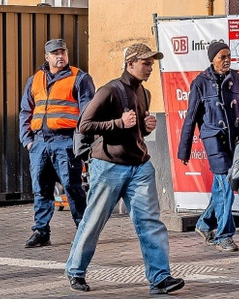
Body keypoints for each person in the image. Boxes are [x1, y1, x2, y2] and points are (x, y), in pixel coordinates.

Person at [65, 43, 185, 295]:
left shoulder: (145, 93)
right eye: (145, 63)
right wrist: (118, 122)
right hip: (109, 167)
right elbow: (84, 125)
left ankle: (160, 278)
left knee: (150, 222)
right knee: (94, 220)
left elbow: (136, 130)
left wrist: (146, 126)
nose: (150, 67)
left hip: (140, 167)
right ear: (130, 64)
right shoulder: (109, 90)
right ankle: (75, 271)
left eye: (152, 63)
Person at [19, 38, 95, 248]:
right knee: (41, 189)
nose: (60, 56)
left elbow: (88, 112)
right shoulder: (35, 80)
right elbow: (26, 111)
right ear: (47, 57)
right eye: (55, 53)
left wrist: (80, 142)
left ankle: (83, 229)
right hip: (39, 143)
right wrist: (27, 141)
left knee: (72, 186)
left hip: (66, 141)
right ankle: (41, 231)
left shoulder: (79, 78)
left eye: (63, 52)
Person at [177, 41, 239, 253]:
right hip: (214, 140)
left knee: (221, 186)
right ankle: (224, 235)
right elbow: (190, 118)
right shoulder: (200, 82)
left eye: (229, 56)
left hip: (234, 140)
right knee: (227, 183)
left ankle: (204, 223)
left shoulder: (237, 79)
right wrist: (185, 149)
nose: (227, 60)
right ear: (212, 60)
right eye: (222, 57)